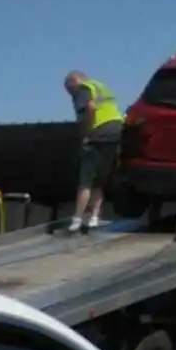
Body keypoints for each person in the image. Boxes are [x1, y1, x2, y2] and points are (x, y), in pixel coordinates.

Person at [64, 71, 125, 233]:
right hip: (116, 132)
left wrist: (86, 133)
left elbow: (90, 109)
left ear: (74, 81)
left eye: (69, 88)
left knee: (85, 180)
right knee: (99, 180)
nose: (70, 93)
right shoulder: (101, 87)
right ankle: (94, 218)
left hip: (97, 134)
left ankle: (76, 220)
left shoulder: (82, 89)